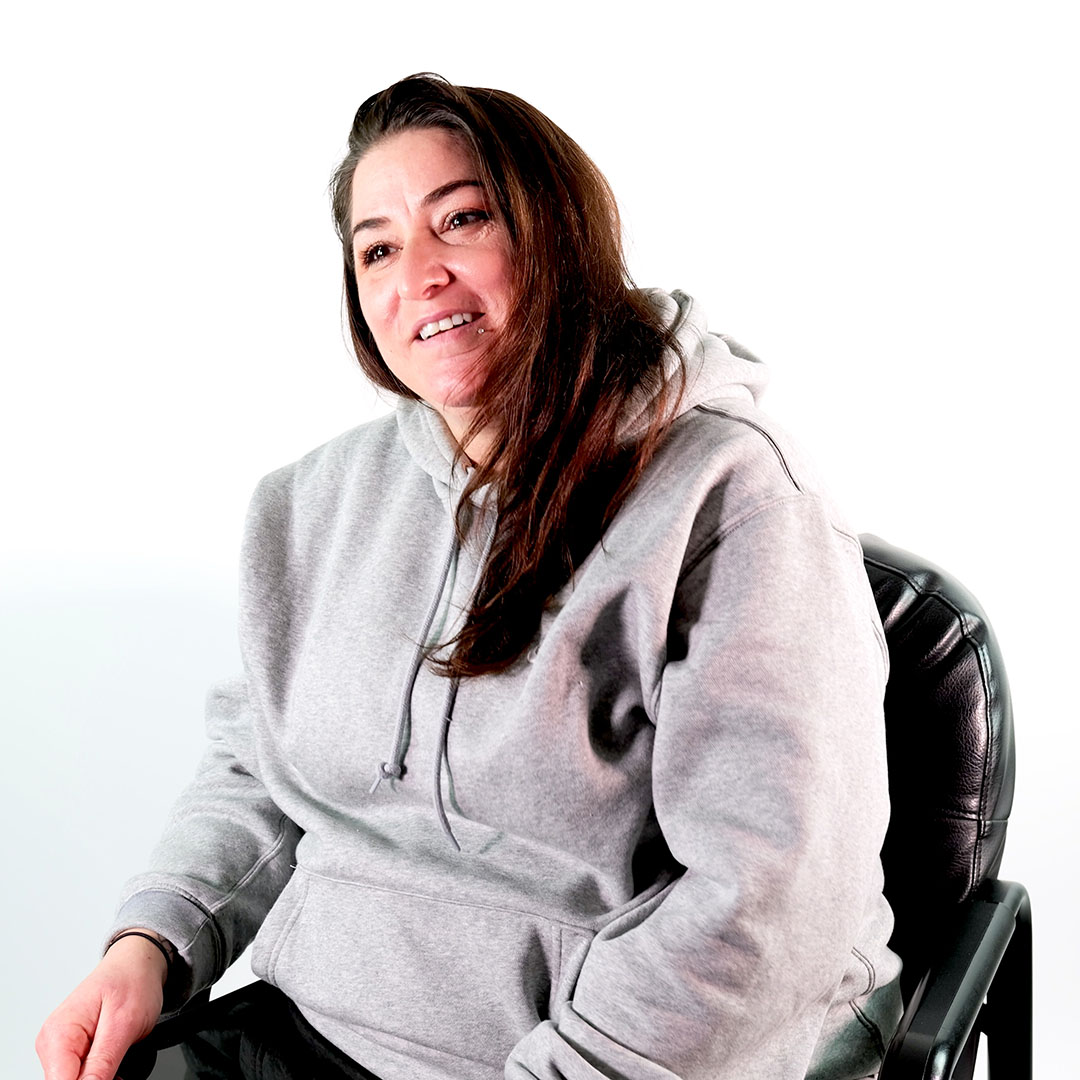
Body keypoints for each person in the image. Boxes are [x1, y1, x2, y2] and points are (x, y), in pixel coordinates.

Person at [37, 74, 903, 1080]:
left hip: (590, 1054)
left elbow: (773, 893)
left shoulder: (733, 494)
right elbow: (260, 771)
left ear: (559, 235)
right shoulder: (309, 505)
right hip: (307, 1029)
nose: (421, 275)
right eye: (379, 248)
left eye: (463, 221)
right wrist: (153, 941)